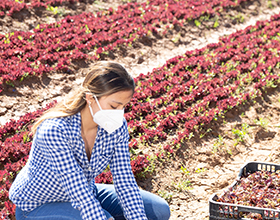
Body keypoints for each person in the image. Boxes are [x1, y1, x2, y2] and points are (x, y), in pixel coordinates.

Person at [9, 61, 171, 220]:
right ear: (90, 98)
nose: (119, 113)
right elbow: (76, 187)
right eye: (114, 106)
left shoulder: (115, 126)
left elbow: (124, 179)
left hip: (86, 191)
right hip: (38, 205)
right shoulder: (54, 130)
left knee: (158, 210)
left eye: (124, 106)